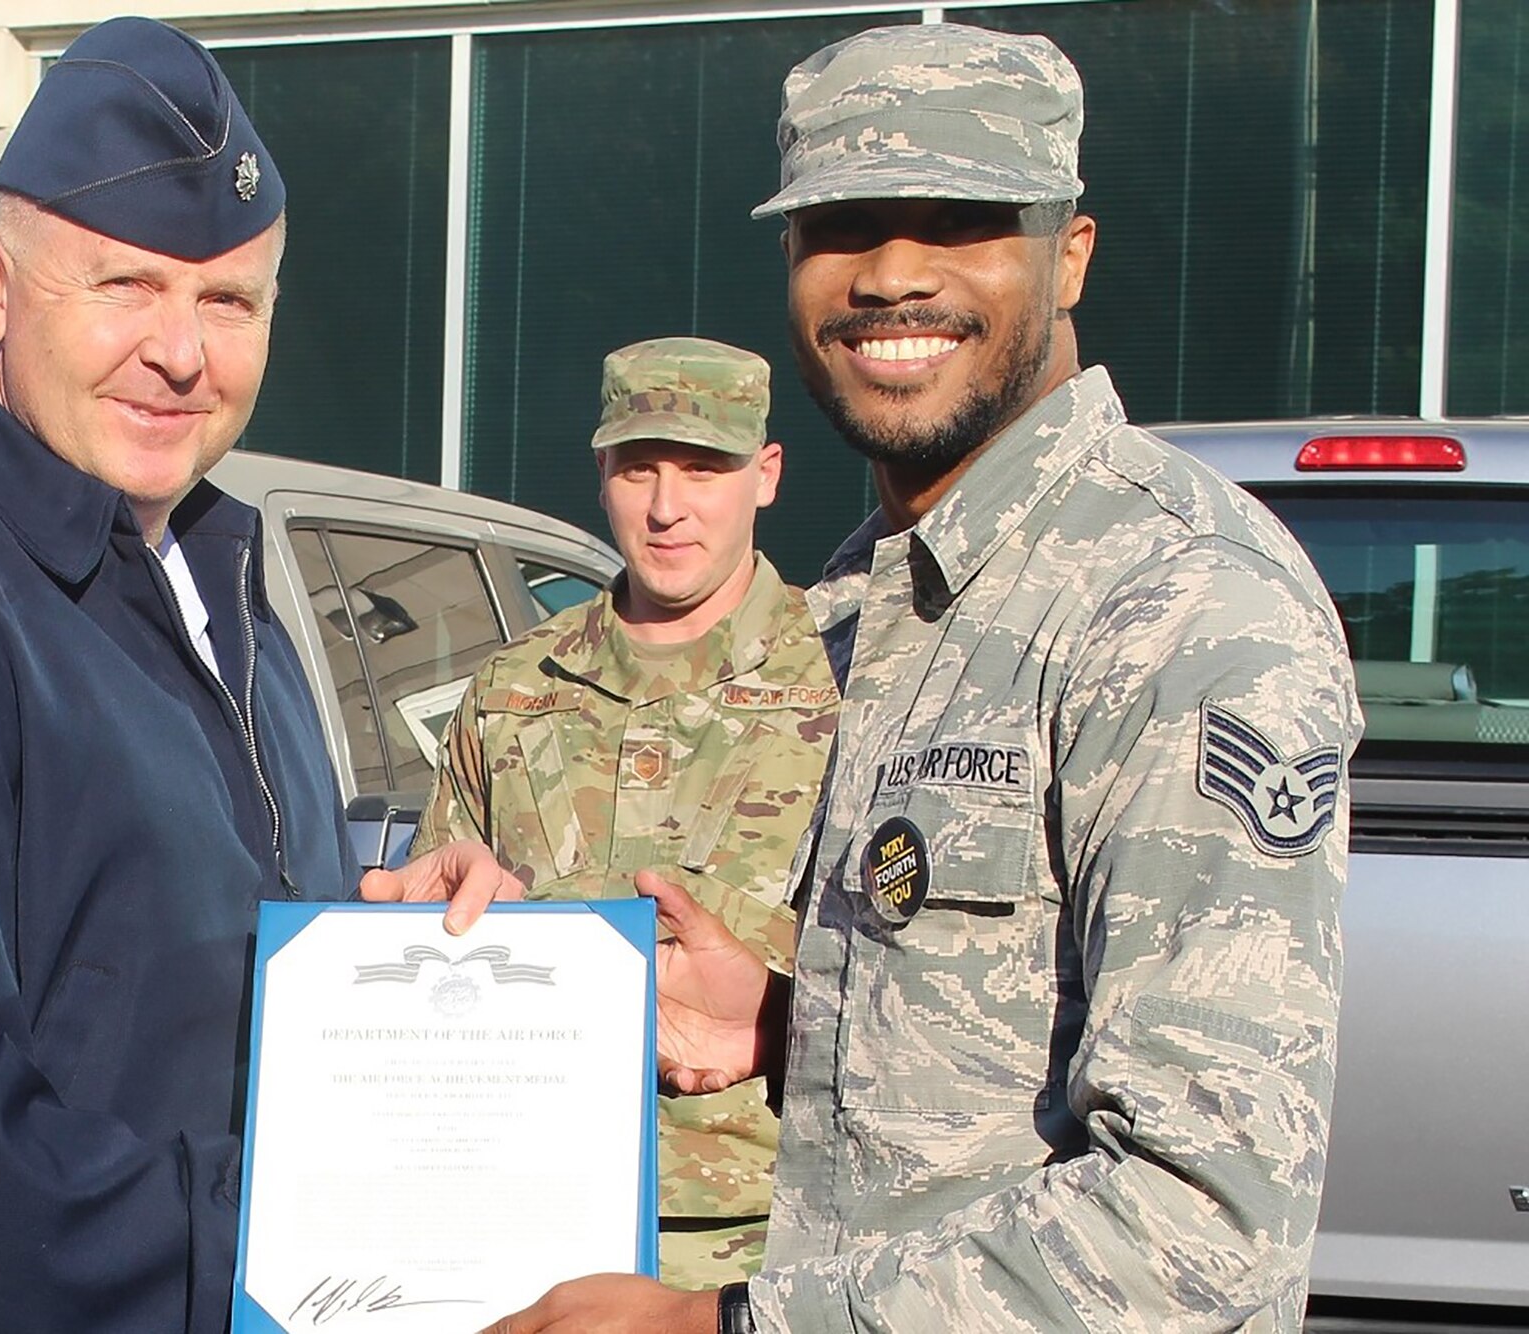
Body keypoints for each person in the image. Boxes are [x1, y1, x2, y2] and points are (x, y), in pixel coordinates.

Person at [476, 22, 1361, 1333]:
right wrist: (779, 1019)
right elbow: (984, 1064)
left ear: (1069, 254)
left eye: (960, 220)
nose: (890, 274)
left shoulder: (1178, 603)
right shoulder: (870, 597)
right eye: (840, 225)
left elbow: (1205, 1225)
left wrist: (726, 1325)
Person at [0, 18, 512, 1333]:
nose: (182, 352)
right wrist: (316, 1234)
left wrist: (397, 942)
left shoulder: (219, 585)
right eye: (125, 285)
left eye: (227, 300)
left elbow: (158, 969)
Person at [410, 336, 838, 1287]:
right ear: (602, 472)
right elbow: (434, 933)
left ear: (765, 475)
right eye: (639, 467)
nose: (666, 505)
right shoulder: (516, 688)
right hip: (526, 1216)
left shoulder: (850, 681)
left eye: (703, 467)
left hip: (767, 1239)